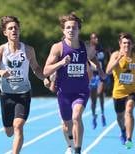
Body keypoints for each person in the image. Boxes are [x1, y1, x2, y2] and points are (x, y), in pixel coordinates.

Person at [43, 13, 105, 154]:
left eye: (74, 27)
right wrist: (61, 62)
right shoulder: (58, 48)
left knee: (76, 116)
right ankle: (70, 145)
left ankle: (78, 150)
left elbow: (94, 58)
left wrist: (100, 69)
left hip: (81, 91)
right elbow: (46, 70)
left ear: (79, 30)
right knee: (66, 125)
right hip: (64, 92)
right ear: (63, 30)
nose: (71, 30)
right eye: (68, 27)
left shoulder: (87, 48)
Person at [0, 16, 49, 154]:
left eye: (16, 27)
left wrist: (44, 78)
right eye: (10, 28)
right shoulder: (1, 50)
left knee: (18, 126)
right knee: (9, 132)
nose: (14, 30)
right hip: (6, 95)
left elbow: (36, 69)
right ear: (5, 33)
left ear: (19, 30)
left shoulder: (28, 50)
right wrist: (1, 72)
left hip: (23, 94)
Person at [106, 32, 135, 149]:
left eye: (129, 43)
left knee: (129, 111)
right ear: (120, 44)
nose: (126, 45)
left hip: (132, 90)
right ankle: (123, 130)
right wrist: (118, 60)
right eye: (124, 43)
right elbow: (108, 71)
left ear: (132, 45)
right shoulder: (115, 55)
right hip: (118, 92)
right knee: (119, 116)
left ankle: (129, 138)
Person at [88, 32, 108, 129]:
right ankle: (93, 115)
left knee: (100, 93)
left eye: (97, 37)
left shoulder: (102, 49)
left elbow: (107, 61)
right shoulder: (88, 50)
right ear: (91, 39)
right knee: (93, 100)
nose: (96, 39)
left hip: (100, 75)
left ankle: (102, 113)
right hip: (92, 76)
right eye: (94, 38)